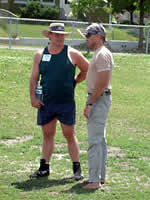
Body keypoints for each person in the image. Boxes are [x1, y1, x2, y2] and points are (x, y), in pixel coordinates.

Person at [29, 23, 89, 180]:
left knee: (69, 134)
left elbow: (87, 69)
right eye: (56, 34)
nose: (59, 37)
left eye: (62, 35)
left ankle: (77, 169)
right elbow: (34, 78)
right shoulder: (39, 55)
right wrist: (33, 97)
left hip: (66, 103)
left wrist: (75, 81)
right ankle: (44, 168)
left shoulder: (72, 53)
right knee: (48, 135)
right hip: (46, 102)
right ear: (49, 35)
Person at [83, 23, 114, 189]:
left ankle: (94, 180)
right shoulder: (99, 53)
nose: (86, 38)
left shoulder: (102, 54)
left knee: (95, 140)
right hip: (99, 98)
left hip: (98, 99)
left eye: (89, 35)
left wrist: (89, 104)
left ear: (98, 36)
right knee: (100, 140)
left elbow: (101, 84)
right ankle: (99, 176)